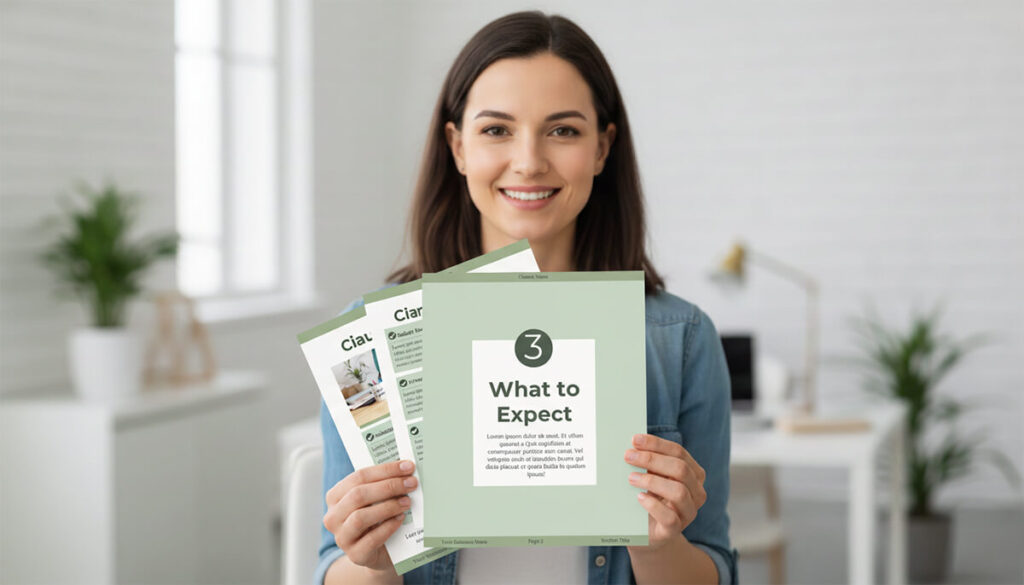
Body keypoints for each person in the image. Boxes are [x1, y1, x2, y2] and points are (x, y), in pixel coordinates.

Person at [316, 11, 736, 585]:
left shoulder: (680, 341)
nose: (530, 160)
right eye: (496, 130)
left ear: (602, 148)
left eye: (563, 130)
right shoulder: (366, 336)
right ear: (457, 146)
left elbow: (715, 567)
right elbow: (330, 569)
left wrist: (659, 548)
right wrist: (374, 561)